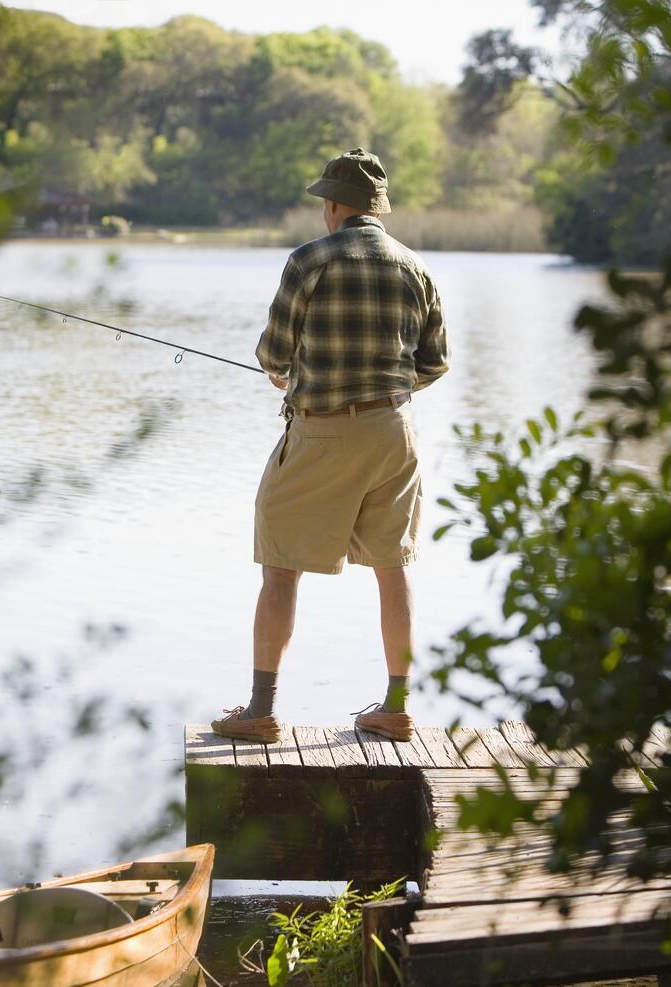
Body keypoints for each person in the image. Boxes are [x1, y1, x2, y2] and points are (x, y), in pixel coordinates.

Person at [211, 148, 450, 745]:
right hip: (395, 434)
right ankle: (397, 707)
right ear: (377, 208)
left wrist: (290, 377)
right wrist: (385, 388)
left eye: (325, 200)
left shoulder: (308, 261)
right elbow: (435, 363)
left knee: (280, 568)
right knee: (394, 570)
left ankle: (260, 711)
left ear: (335, 205)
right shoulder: (414, 268)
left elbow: (273, 355)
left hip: (321, 431)